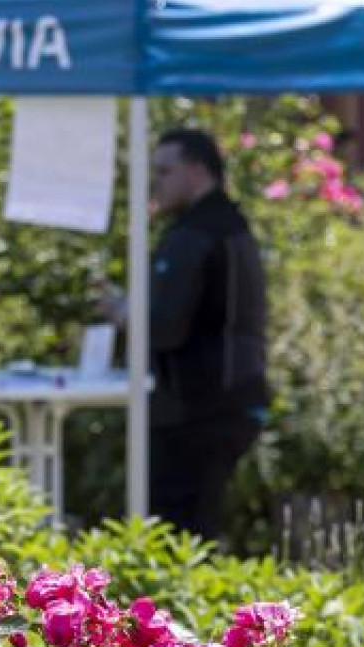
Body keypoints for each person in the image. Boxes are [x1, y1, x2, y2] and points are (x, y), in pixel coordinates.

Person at [142, 128, 268, 540]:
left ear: (196, 171)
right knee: (198, 526)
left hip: (198, 408)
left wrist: (128, 314)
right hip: (230, 399)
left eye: (165, 171)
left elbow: (163, 328)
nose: (156, 182)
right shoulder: (231, 225)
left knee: (178, 532)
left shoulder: (196, 234)